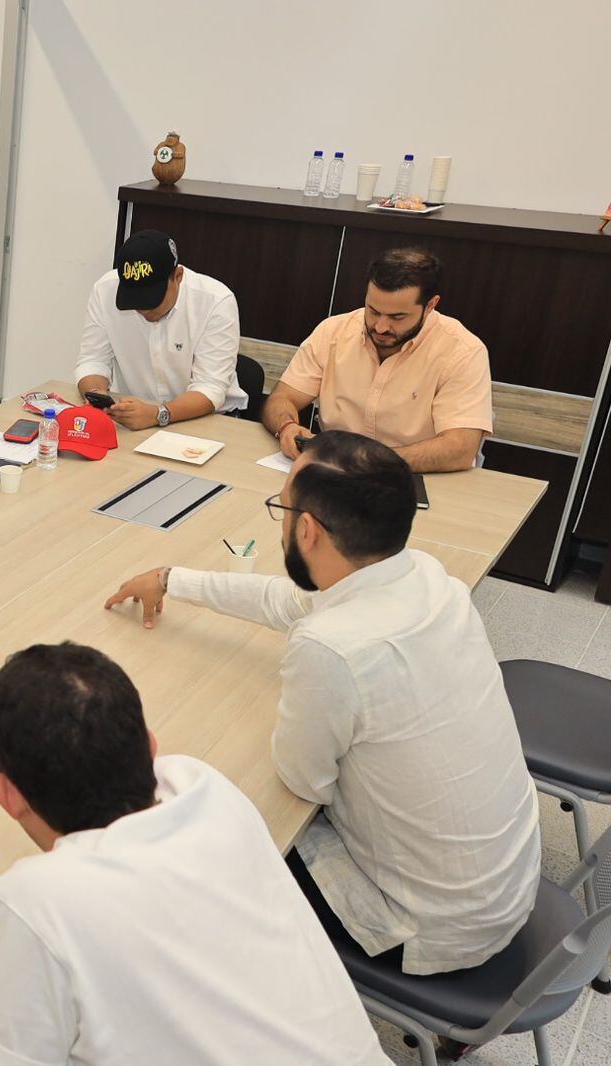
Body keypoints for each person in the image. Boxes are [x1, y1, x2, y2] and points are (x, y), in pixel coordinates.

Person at [104, 430, 539, 975]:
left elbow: (305, 784)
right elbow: (295, 602)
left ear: (305, 529)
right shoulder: (428, 577)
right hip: (505, 882)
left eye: (281, 508)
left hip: (425, 927)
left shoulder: (331, 648)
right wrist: (172, 578)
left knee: (206, 847)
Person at [0, 642, 387, 1065]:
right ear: (150, 747)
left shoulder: (38, 898)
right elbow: (113, 931)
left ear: (7, 795)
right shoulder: (202, 786)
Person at [262, 247, 492, 472]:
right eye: (373, 311)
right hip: (335, 473)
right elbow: (282, 397)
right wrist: (286, 427)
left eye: (397, 317)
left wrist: (368, 460)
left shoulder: (463, 351)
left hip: (417, 477)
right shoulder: (333, 332)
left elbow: (460, 448)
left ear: (430, 305)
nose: (380, 327)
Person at [75, 229, 246, 429]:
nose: (144, 309)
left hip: (208, 420)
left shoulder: (216, 302)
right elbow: (93, 361)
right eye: (135, 300)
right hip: (134, 419)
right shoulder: (104, 291)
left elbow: (210, 386)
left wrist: (159, 414)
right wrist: (98, 396)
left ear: (178, 276)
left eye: (152, 299)